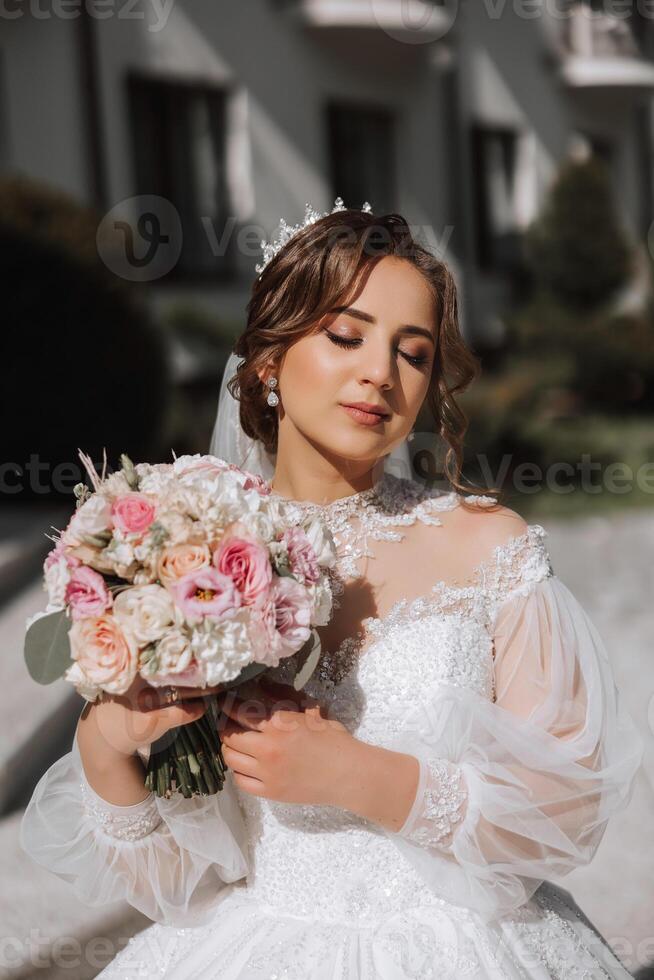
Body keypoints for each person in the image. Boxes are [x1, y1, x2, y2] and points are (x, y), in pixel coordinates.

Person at [20, 202, 644, 979]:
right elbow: (180, 888)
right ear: (269, 361)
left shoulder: (490, 548)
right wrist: (108, 744)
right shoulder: (183, 557)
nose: (380, 373)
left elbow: (563, 814)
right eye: (346, 336)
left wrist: (354, 774)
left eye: (413, 355)